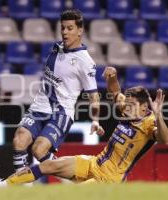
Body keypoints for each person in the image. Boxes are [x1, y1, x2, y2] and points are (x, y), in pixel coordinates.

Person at [0, 66, 168, 186]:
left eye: (130, 105)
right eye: (127, 104)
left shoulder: (149, 124)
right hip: (93, 163)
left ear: (145, 107)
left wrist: (159, 115)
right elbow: (116, 92)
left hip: (108, 180)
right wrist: (111, 77)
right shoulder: (128, 110)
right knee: (48, 165)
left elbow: (165, 139)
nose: (125, 108)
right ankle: (3, 186)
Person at [10, 9, 104, 174]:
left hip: (61, 113)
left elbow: (93, 95)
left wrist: (95, 120)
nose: (65, 33)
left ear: (80, 30)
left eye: (70, 28)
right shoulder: (57, 48)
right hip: (39, 108)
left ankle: (75, 175)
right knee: (19, 141)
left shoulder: (85, 61)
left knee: (38, 150)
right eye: (62, 28)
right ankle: (18, 185)